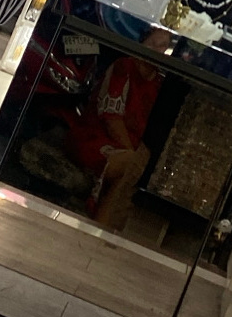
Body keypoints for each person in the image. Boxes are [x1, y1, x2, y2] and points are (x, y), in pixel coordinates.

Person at [61, 27, 170, 229]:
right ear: (142, 43)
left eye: (163, 46)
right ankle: (101, 226)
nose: (158, 51)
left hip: (129, 148)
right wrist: (131, 152)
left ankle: (106, 227)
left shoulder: (158, 83)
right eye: (153, 44)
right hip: (95, 137)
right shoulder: (124, 67)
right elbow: (112, 119)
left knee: (139, 165)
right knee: (130, 164)